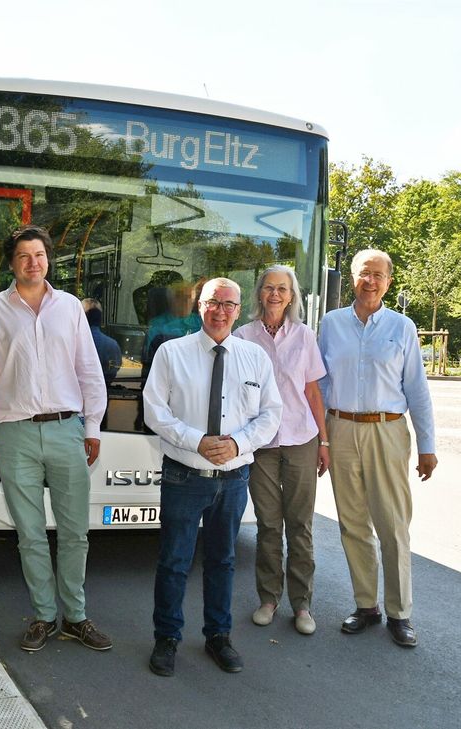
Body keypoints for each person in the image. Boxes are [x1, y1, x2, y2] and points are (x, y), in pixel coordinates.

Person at [0, 225, 112, 653]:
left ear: (49, 260)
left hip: (68, 429)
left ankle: (76, 617)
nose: (33, 262)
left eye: (40, 255)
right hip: (14, 435)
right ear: (12, 263)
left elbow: (89, 369)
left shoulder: (69, 308)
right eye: (25, 255)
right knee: (29, 534)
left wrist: (92, 426)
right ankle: (45, 617)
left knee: (74, 533)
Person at [143, 278, 282, 676]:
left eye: (228, 304)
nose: (220, 311)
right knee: (174, 561)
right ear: (198, 307)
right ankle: (166, 638)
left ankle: (218, 636)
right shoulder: (172, 353)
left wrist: (238, 444)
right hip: (184, 475)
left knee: (223, 561)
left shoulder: (255, 358)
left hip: (234, 479)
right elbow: (155, 410)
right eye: (212, 302)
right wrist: (196, 441)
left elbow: (272, 413)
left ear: (239, 310)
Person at [318, 248, 437, 648]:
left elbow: (417, 389)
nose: (370, 281)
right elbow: (320, 385)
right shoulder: (331, 324)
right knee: (352, 524)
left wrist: (427, 446)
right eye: (363, 274)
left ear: (389, 280)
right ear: (351, 278)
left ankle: (400, 613)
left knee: (393, 524)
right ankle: (366, 606)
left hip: (387, 431)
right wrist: (322, 437)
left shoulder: (402, 326)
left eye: (378, 275)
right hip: (342, 429)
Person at [233, 265, 329, 636]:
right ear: (259, 293)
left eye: (283, 289)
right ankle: (269, 598)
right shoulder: (243, 336)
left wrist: (323, 441)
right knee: (268, 525)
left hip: (301, 439)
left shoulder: (304, 336)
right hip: (260, 445)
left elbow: (312, 392)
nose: (275, 294)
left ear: (292, 296)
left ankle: (302, 604)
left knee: (300, 525)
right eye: (269, 287)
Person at [81, 298, 122, 385]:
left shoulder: (72, 343)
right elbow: (115, 369)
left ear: (83, 316)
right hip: (104, 393)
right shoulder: (113, 345)